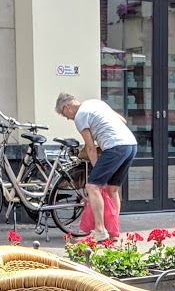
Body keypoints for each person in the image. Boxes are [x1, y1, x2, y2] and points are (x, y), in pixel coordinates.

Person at [55, 92, 137, 242]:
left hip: (114, 147)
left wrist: (96, 170)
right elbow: (123, 120)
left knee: (92, 186)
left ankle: (100, 230)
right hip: (130, 144)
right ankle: (113, 232)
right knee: (112, 189)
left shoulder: (80, 116)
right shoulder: (96, 103)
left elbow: (90, 148)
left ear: (67, 107)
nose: (67, 118)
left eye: (63, 114)